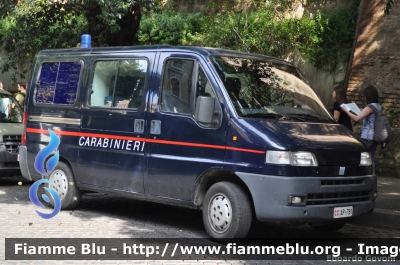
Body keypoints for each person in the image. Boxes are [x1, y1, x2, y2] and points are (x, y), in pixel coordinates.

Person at [340, 85, 380, 173]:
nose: (365, 97)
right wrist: (362, 111)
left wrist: (346, 110)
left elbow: (356, 119)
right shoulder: (377, 106)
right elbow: (370, 119)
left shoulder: (369, 107)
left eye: (365, 95)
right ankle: (371, 176)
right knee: (371, 158)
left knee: (358, 155)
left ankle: (356, 174)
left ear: (369, 95)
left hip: (367, 136)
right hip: (375, 136)